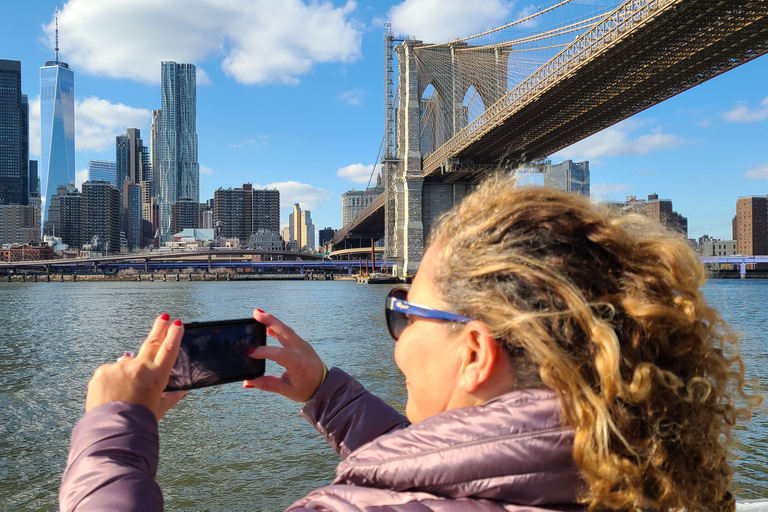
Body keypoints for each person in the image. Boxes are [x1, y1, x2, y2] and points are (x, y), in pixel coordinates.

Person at [60, 174, 759, 512]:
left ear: (476, 353)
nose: (393, 341)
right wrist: (332, 398)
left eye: (404, 313)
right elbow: (483, 470)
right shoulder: (649, 476)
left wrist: (115, 430)